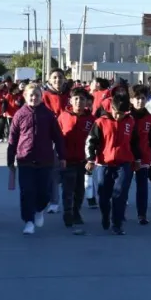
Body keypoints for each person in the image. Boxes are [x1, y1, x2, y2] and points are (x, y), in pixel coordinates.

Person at [8, 82, 66, 235]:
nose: (34, 98)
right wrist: (10, 159)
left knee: (44, 192)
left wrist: (62, 155)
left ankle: (40, 209)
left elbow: (58, 137)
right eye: (31, 95)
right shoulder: (19, 115)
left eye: (37, 95)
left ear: (41, 97)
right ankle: (28, 221)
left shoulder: (48, 115)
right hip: (25, 159)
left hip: (45, 160)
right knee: (26, 191)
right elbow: (12, 139)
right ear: (25, 96)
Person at [87, 87, 139, 235]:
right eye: (117, 113)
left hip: (124, 163)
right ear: (111, 107)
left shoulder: (130, 122)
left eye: (122, 114)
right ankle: (105, 215)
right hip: (104, 163)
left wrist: (138, 159)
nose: (119, 117)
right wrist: (90, 159)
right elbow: (91, 142)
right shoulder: (100, 122)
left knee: (120, 193)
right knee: (103, 195)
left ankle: (117, 224)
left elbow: (135, 143)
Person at [57, 86, 94, 233]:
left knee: (79, 190)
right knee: (68, 189)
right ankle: (68, 213)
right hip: (67, 160)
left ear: (87, 102)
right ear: (71, 100)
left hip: (83, 161)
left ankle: (76, 211)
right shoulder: (63, 116)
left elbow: (95, 140)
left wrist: (92, 158)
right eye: (76, 99)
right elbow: (58, 138)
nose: (79, 102)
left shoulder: (91, 120)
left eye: (82, 99)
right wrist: (60, 156)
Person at [42, 69, 71, 214]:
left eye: (60, 77)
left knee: (70, 169)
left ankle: (71, 198)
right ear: (49, 79)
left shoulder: (70, 94)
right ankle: (54, 200)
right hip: (52, 136)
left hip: (70, 135)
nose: (57, 80)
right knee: (53, 169)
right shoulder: (45, 95)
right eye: (54, 77)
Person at [130, 84, 151, 225]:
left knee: (142, 186)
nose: (140, 101)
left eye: (142, 98)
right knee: (122, 186)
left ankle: (142, 214)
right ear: (131, 100)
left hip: (144, 156)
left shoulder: (150, 118)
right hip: (127, 156)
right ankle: (118, 213)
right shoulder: (125, 116)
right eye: (137, 98)